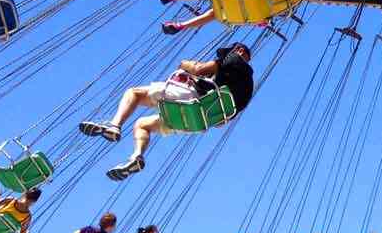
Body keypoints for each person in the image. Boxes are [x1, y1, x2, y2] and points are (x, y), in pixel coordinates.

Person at [78, 43, 255, 181]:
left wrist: (186, 64)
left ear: (238, 50)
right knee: (142, 125)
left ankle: (114, 125)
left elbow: (199, 69)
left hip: (189, 98)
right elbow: (222, 122)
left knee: (135, 93)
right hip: (196, 122)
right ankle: (136, 157)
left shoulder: (233, 59)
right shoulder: (248, 89)